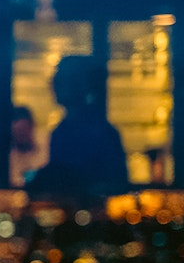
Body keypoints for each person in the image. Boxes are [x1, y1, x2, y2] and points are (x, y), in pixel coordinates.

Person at [29, 55, 128, 199]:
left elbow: (113, 186)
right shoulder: (62, 130)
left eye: (64, 78)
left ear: (84, 84)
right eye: (56, 78)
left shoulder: (99, 132)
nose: (54, 84)